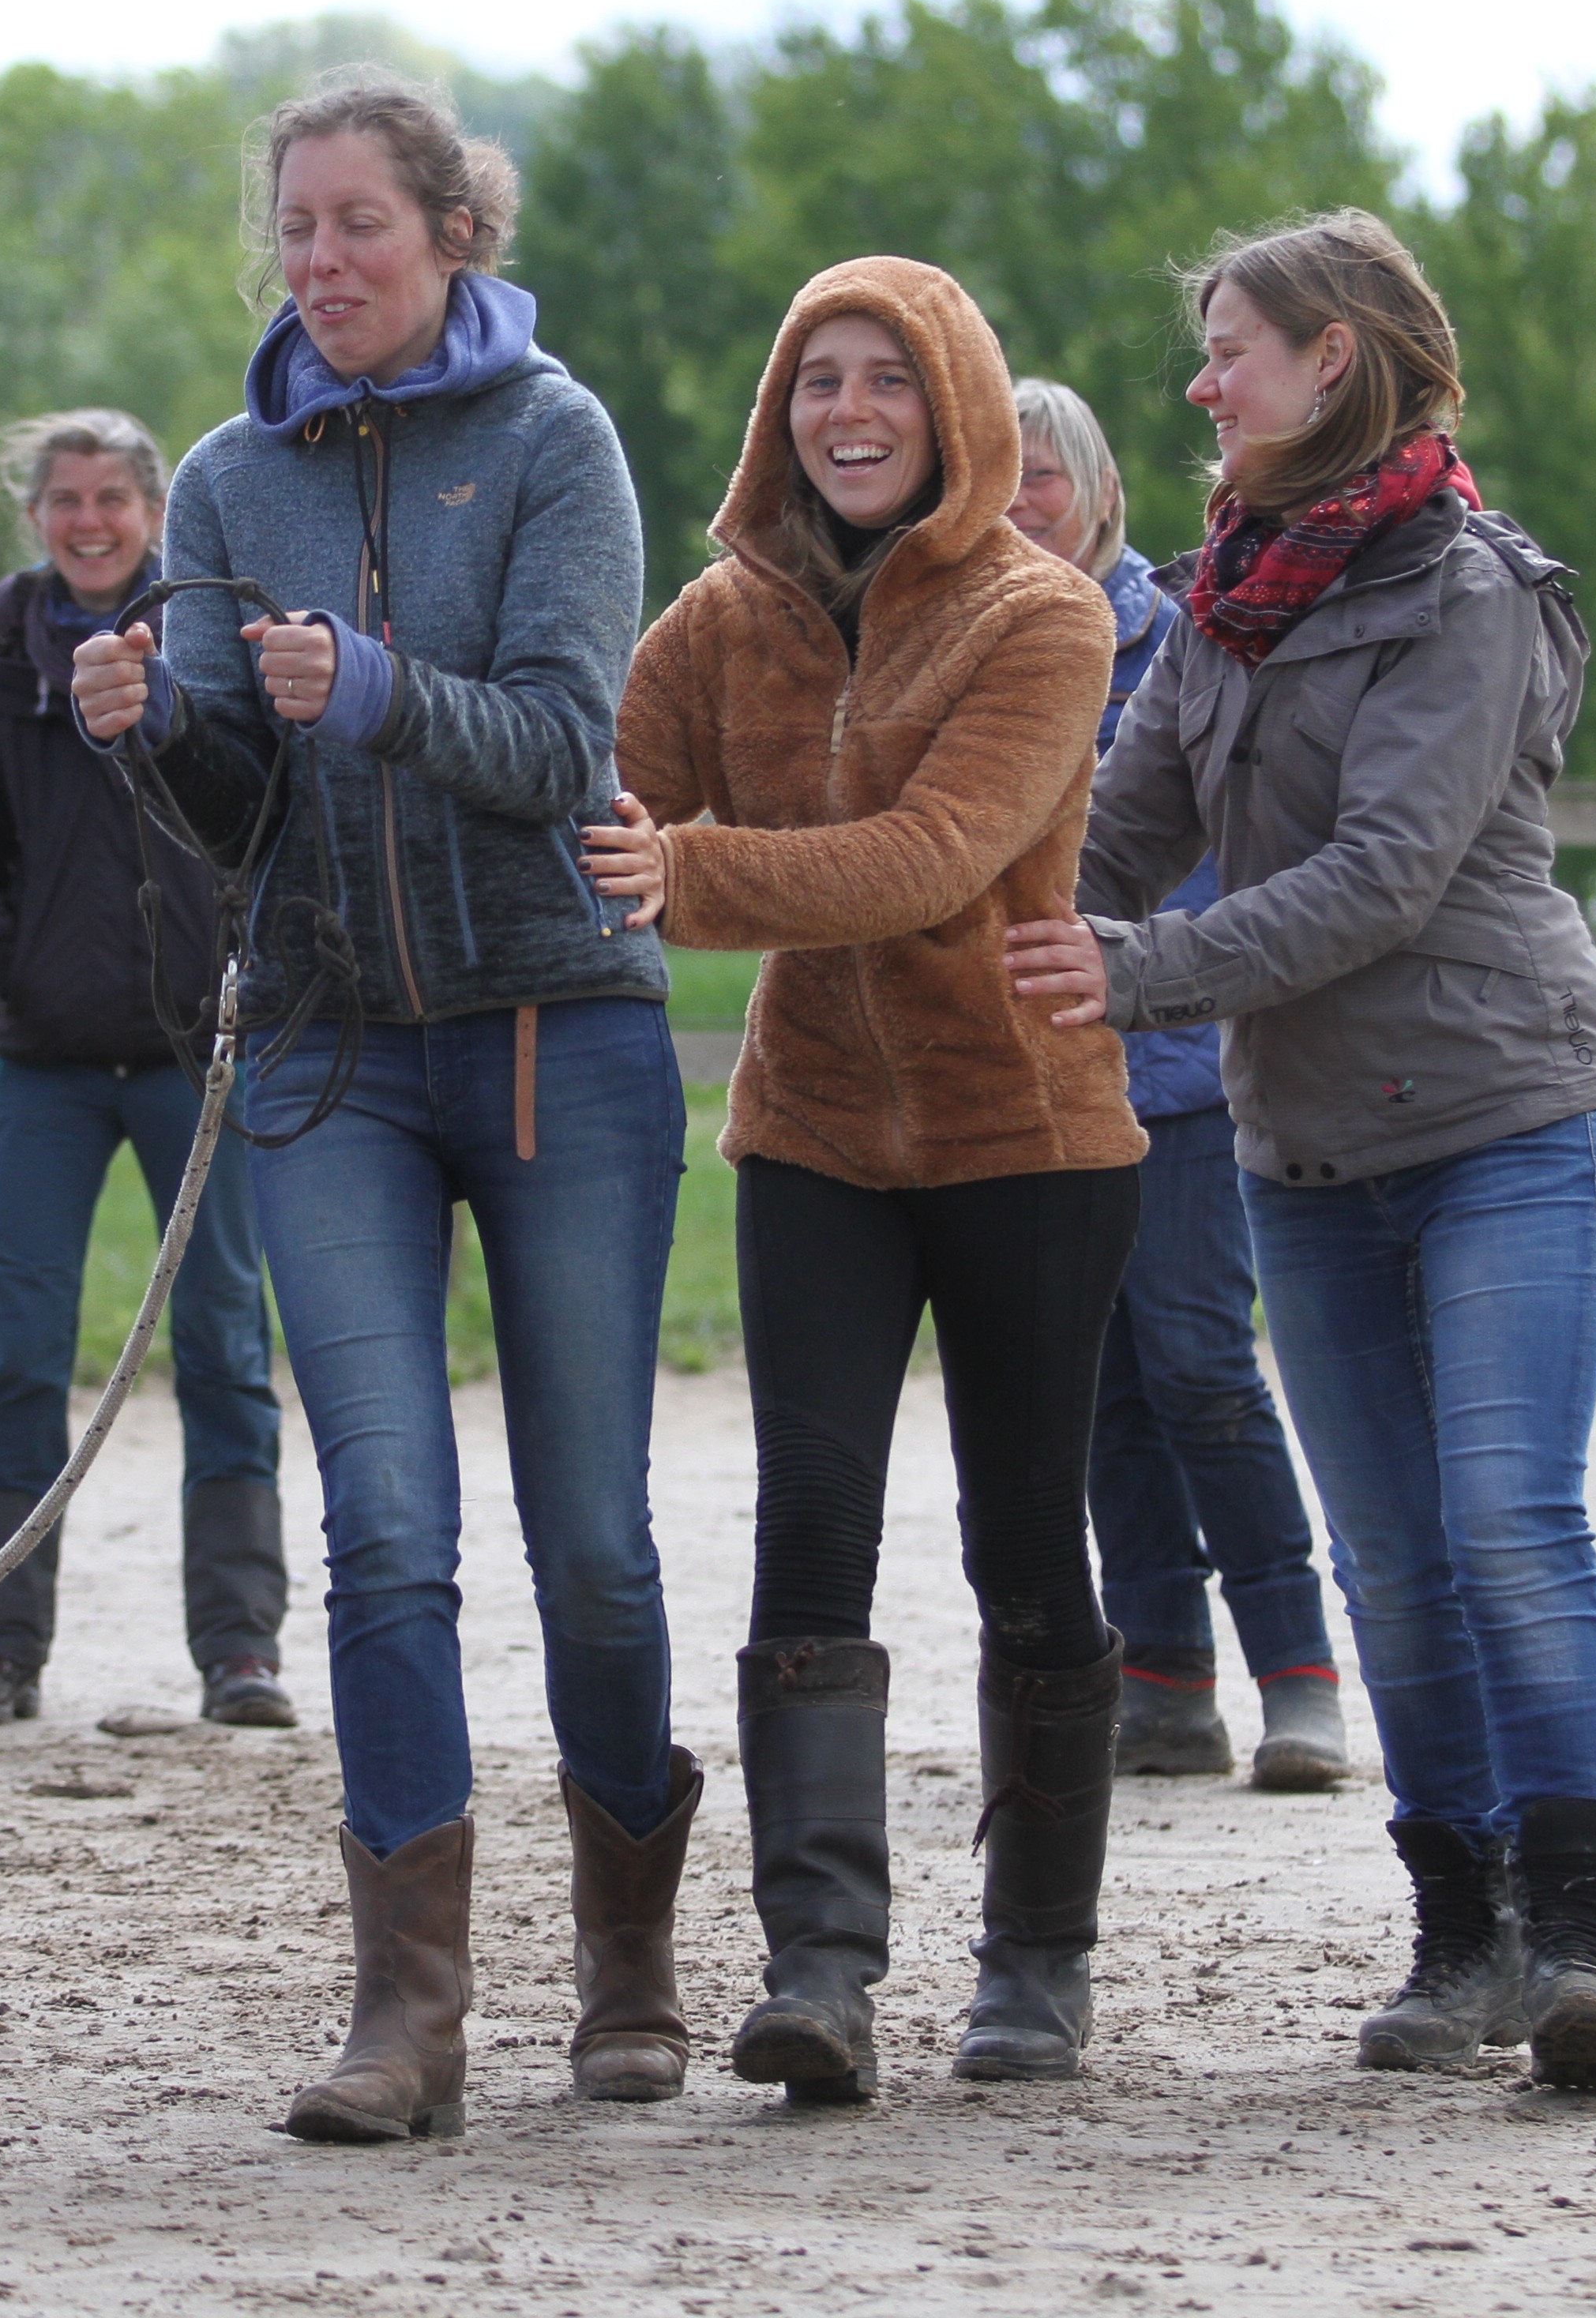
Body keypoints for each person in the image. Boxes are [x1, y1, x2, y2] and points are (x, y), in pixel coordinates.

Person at [73, 70, 692, 2140]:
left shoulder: (555, 441)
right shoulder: (229, 478)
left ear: (451, 234)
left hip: (559, 1040)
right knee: (387, 1531)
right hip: (330, 1050)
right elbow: (240, 807)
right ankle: (406, 2012)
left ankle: (627, 1965)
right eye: (298, 228)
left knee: (590, 1538)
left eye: (361, 225)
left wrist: (382, 687)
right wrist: (154, 722)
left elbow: (562, 741)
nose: (320, 262)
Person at [1005, 207, 1596, 2093]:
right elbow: (1118, 827)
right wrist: (955, 918)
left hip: (1508, 1118)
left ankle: (1582, 1934)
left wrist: (1130, 973)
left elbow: (1382, 878)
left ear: (1332, 362)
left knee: (1509, 1525)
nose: (1201, 384)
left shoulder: (1471, 594)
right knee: (1389, 1560)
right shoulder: (1225, 595)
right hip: (1310, 1152)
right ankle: (1461, 1940)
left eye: (1230, 349)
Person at [597, 261, 1140, 2101]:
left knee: (1020, 1542)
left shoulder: (1044, 617)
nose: (847, 411)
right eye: (818, 379)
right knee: (810, 1524)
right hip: (817, 1129)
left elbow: (933, 858)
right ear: (780, 410)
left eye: (885, 383)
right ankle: (820, 1969)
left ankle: (1037, 1968)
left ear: (957, 410)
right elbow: (597, 795)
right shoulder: (720, 617)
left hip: (1028, 1136)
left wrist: (687, 877)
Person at [0, 408, 289, 1732]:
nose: (89, 522)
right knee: (20, 1354)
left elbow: (268, 814)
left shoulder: (209, 651)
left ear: (153, 513)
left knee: (225, 1349)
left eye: (113, 500)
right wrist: (13, 958)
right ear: (38, 516)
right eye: (65, 500)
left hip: (203, 1062)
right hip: (49, 1066)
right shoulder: (1, 685)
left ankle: (241, 1647)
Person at [1006, 378, 1349, 1795]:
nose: (1021, 504)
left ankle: (1297, 1667)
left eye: (1043, 475)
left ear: (1097, 491)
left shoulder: (1184, 636)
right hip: (1037, 1079)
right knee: (1099, 1388)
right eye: (997, 476)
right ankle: (1162, 1669)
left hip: (1182, 1066)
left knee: (1202, 1366)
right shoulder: (968, 645)